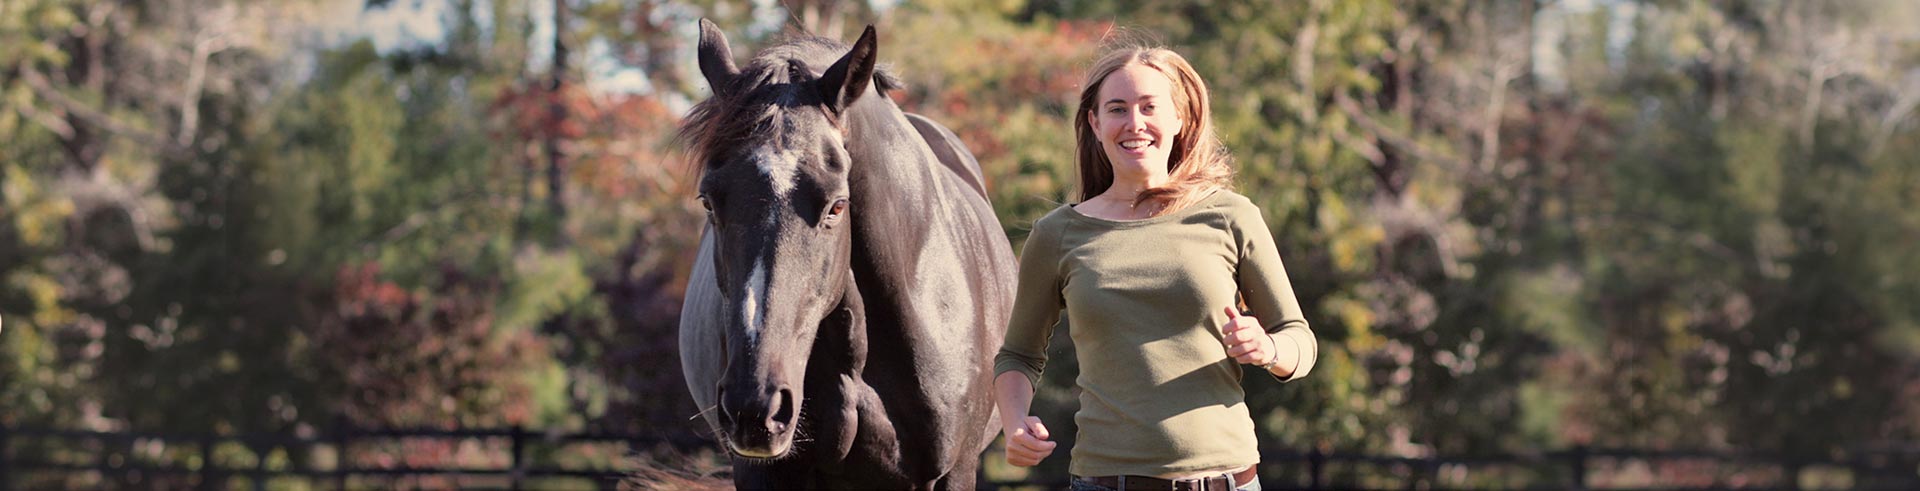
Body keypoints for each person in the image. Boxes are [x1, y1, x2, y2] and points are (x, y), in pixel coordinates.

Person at [992, 44, 1318, 491]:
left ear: (1180, 118)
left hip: (1227, 480)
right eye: (1117, 109)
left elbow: (1299, 339)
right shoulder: (1057, 234)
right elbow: (1018, 355)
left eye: (1149, 107)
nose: (1134, 124)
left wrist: (1270, 349)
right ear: (1095, 123)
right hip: (1105, 480)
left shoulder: (1231, 215)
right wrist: (1014, 424)